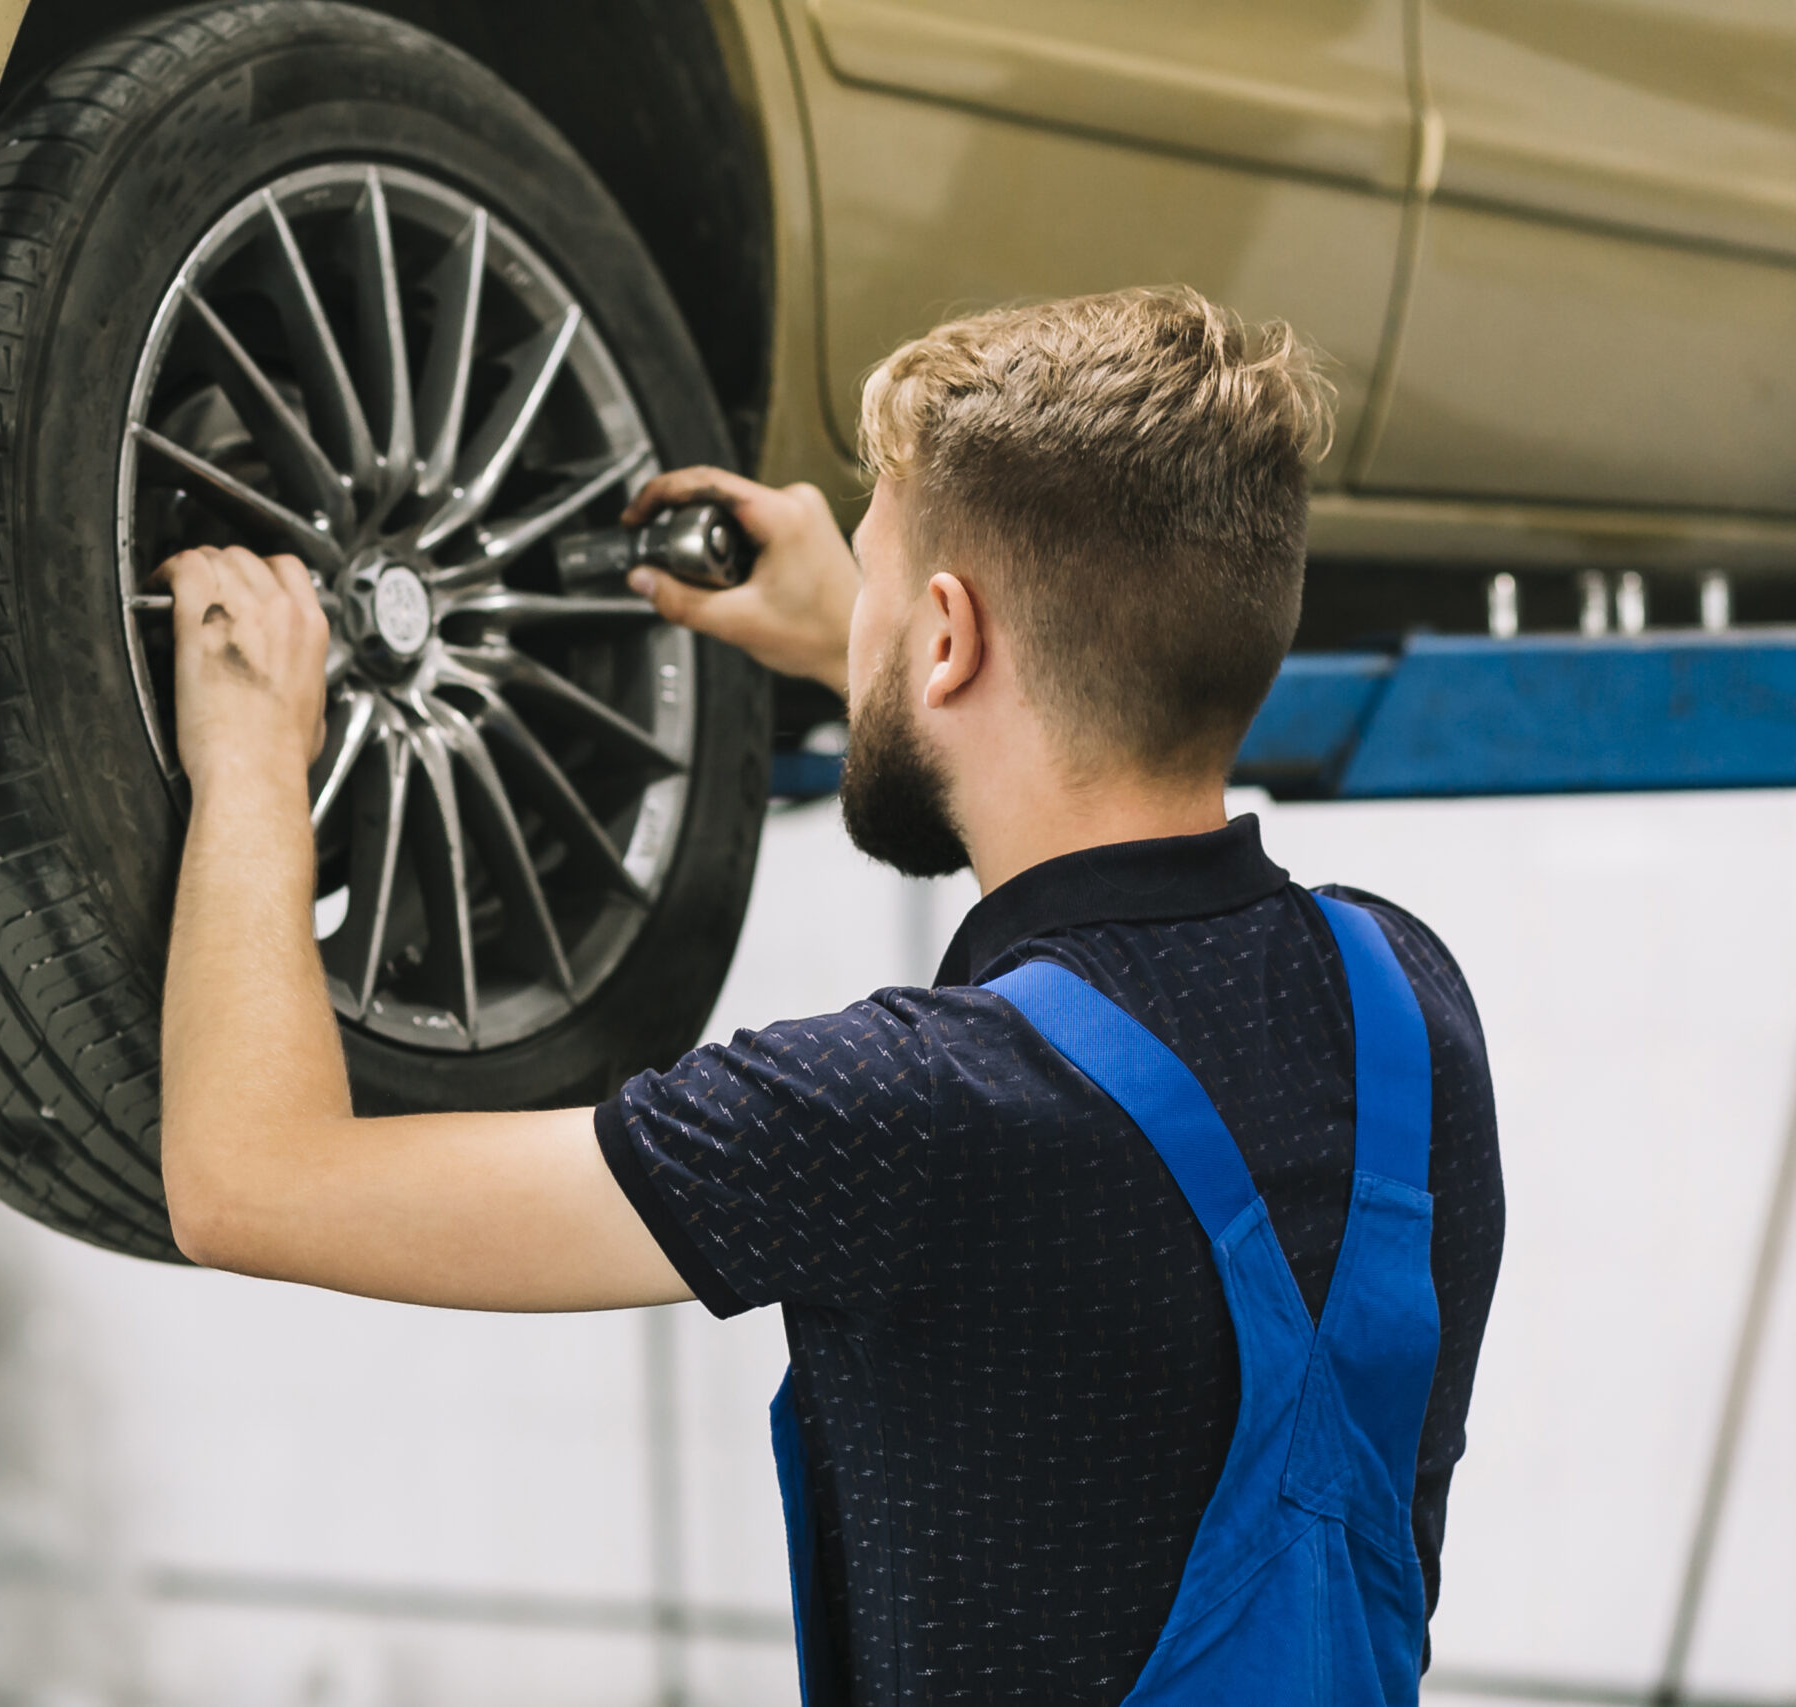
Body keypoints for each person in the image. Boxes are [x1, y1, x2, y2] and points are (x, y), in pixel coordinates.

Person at [151, 286, 1504, 1704]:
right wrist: (869, 642)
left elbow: (250, 1182)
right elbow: (1082, 729)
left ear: (945, 643)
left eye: (874, 584)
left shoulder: (903, 1116)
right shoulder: (1410, 1011)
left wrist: (252, 750)